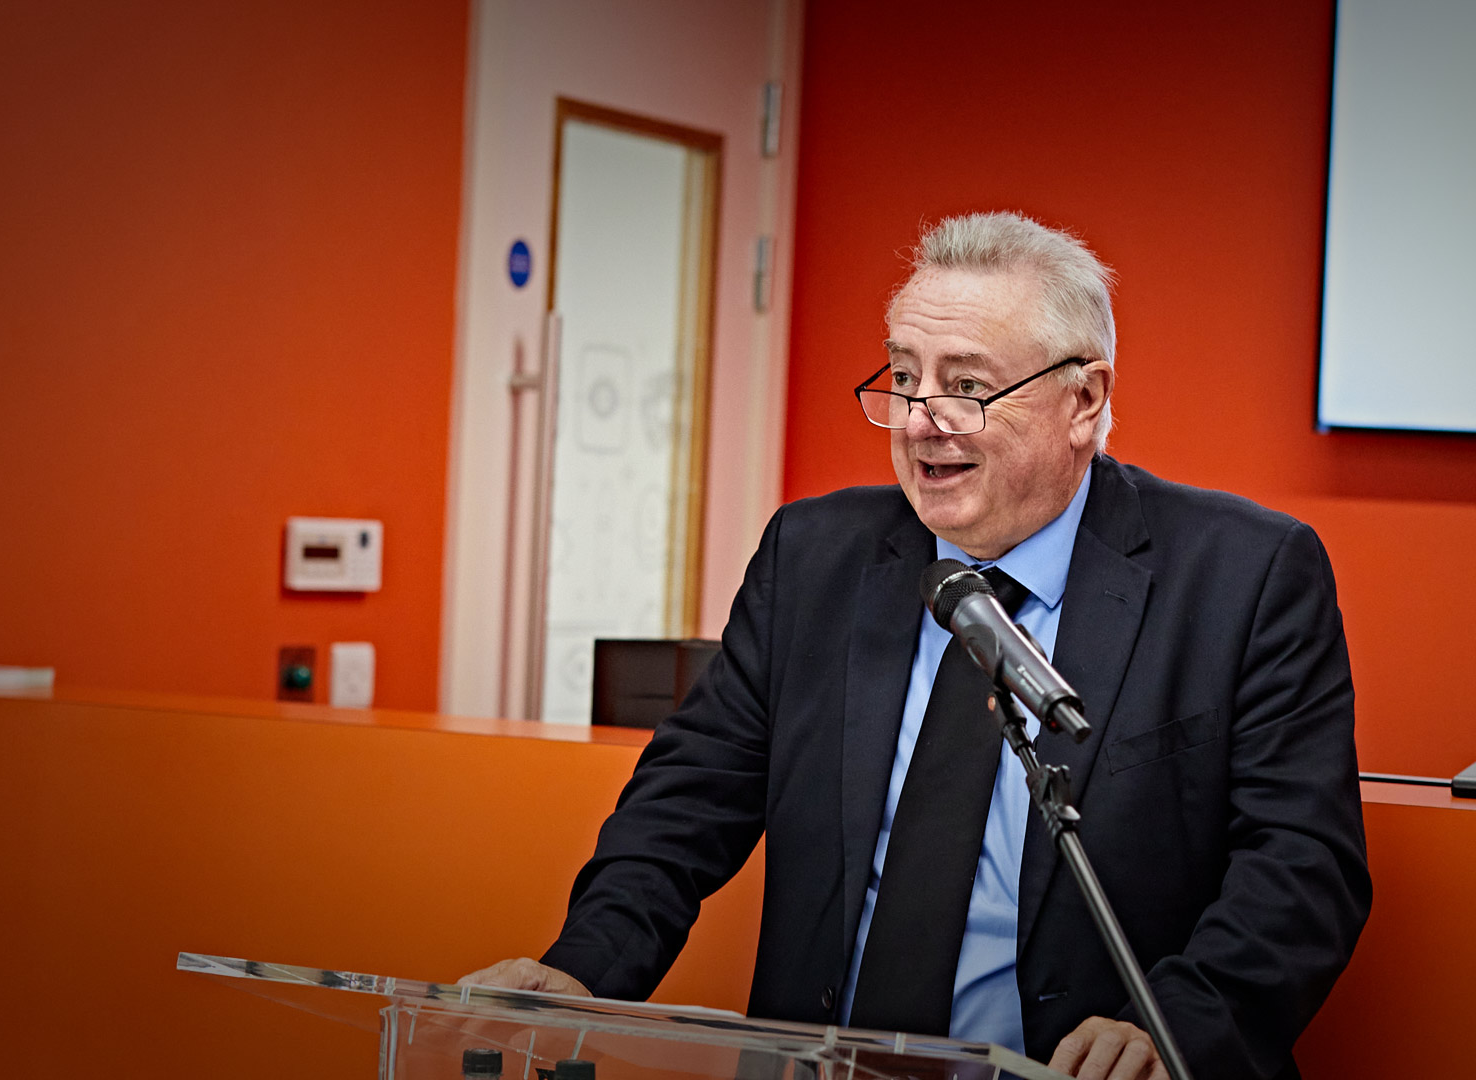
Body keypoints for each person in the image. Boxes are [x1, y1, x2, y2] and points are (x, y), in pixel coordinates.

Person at [462, 212, 1370, 1080]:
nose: (919, 418)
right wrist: (582, 969)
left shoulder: (1244, 577)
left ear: (1083, 400)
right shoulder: (813, 557)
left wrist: (1172, 1027)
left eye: (967, 386)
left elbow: (1302, 868)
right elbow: (690, 796)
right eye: (903, 376)